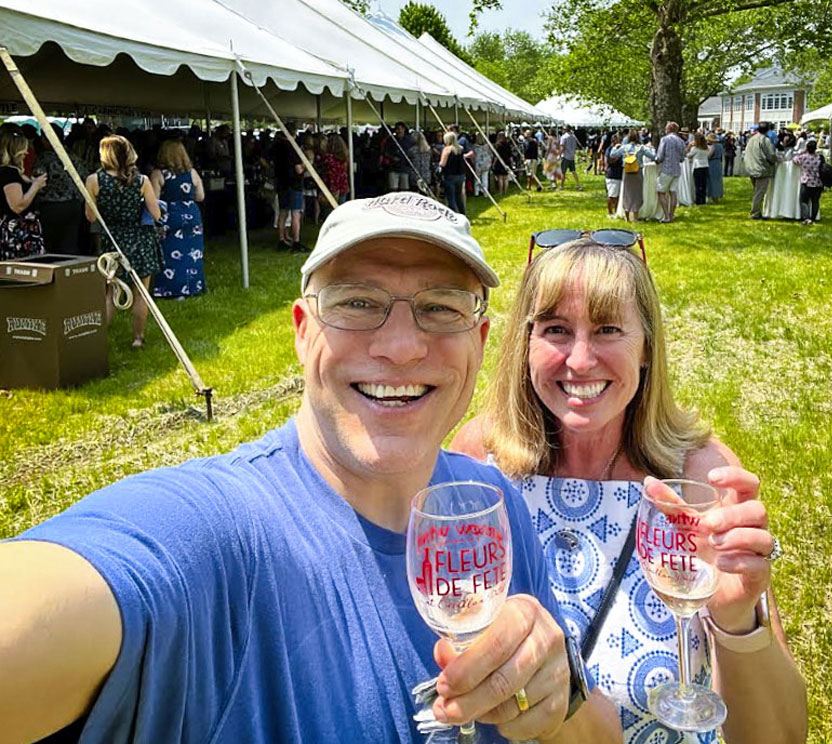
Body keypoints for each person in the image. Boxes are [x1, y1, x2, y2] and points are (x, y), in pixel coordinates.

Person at [0, 192, 622, 744]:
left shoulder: (490, 507)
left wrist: (557, 696)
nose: (402, 345)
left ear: (481, 340)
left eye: (439, 307)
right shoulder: (216, 532)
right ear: (302, 333)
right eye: (357, 302)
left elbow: (593, 731)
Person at [451, 238, 808, 744]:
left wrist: (736, 618)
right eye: (555, 329)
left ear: (646, 347)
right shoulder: (479, 462)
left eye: (608, 329)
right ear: (525, 343)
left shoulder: (700, 479)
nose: (578, 360)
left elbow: (780, 737)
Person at [85, 135, 162, 348]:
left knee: (110, 293)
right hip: (140, 239)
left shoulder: (94, 180)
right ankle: (138, 338)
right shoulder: (142, 180)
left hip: (112, 240)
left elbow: (91, 217)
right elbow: (156, 214)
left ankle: (98, 340)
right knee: (141, 293)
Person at [150, 139, 206, 298]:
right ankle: (193, 286)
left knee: (169, 254)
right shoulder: (192, 173)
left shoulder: (158, 174)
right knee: (192, 252)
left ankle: (171, 289)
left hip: (170, 215)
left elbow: (154, 200)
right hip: (192, 215)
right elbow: (200, 196)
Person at [32, 127, 86, 255]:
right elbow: (85, 176)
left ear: (46, 139)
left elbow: (37, 181)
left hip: (50, 206)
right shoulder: (73, 156)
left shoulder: (43, 159)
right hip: (73, 204)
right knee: (70, 246)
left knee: (50, 247)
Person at [0, 128, 47, 260]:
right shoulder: (9, 173)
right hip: (17, 233)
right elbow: (17, 206)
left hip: (26, 231)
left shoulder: (15, 172)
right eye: (24, 149)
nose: (27, 152)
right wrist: (35, 186)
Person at [609, 130, 655, 223]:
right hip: (637, 172)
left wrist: (615, 147)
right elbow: (653, 156)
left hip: (627, 173)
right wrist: (649, 147)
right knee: (637, 194)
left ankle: (627, 217)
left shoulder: (624, 147)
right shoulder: (641, 148)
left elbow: (612, 155)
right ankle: (635, 218)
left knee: (627, 194)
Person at [272, 129, 307, 252]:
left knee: (282, 213)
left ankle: (281, 240)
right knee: (295, 213)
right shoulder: (293, 149)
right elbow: (298, 169)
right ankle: (296, 242)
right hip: (293, 184)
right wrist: (306, 164)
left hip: (281, 184)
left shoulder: (276, 148)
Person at [744, 123, 777, 220]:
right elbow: (771, 155)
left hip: (751, 168)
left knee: (756, 191)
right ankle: (755, 212)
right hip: (761, 169)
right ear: (768, 130)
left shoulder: (752, 139)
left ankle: (757, 210)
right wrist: (775, 160)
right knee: (759, 192)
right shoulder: (765, 140)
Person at [654, 122, 686, 223]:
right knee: (673, 193)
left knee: (661, 192)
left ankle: (667, 216)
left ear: (668, 129)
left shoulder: (665, 139)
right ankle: (671, 215)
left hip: (666, 169)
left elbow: (660, 156)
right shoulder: (681, 141)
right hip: (677, 170)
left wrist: (656, 159)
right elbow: (682, 157)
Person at [792, 140, 824, 225]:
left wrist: (802, 152)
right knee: (815, 201)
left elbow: (794, 159)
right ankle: (813, 218)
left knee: (804, 201)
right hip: (817, 182)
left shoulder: (803, 157)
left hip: (806, 181)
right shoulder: (819, 158)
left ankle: (805, 218)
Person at [439, 131, 467, 214]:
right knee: (458, 196)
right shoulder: (460, 148)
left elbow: (442, 164)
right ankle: (462, 213)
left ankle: (453, 214)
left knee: (451, 197)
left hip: (450, 175)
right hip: (460, 174)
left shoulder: (446, 149)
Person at [686, 132, 711, 206]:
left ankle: (698, 200)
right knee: (704, 184)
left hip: (698, 166)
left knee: (698, 185)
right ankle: (703, 199)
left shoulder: (695, 149)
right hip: (705, 166)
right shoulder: (706, 148)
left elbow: (688, 155)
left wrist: (689, 147)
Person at [604, 133, 623, 217]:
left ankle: (616, 212)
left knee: (618, 196)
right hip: (612, 175)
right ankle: (610, 212)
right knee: (612, 196)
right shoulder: (610, 149)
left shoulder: (621, 149)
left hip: (620, 174)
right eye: (619, 140)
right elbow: (609, 160)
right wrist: (617, 157)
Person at [559, 126, 582, 191]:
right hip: (572, 156)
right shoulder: (573, 137)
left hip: (565, 156)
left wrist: (559, 155)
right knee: (574, 171)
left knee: (563, 172)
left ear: (565, 130)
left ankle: (562, 186)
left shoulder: (563, 137)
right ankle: (578, 185)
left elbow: (562, 147)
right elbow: (575, 146)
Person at [492, 131, 513, 196]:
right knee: (506, 177)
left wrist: (493, 164)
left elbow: (496, 156)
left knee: (500, 177)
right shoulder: (507, 145)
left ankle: (501, 191)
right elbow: (510, 155)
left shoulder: (497, 145)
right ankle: (505, 191)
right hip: (507, 161)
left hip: (499, 162)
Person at [707, 132, 724, 203]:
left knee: (712, 181)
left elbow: (709, 156)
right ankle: (717, 196)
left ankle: (714, 197)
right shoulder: (720, 146)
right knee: (718, 180)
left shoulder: (713, 146)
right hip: (718, 163)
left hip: (712, 163)